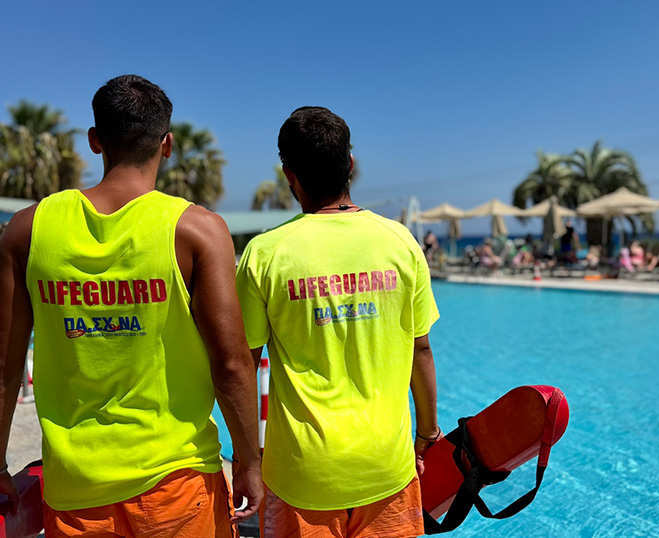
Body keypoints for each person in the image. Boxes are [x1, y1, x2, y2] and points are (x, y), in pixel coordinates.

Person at [0, 75, 263, 537]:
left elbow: (5, 366)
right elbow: (232, 364)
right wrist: (249, 462)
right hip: (177, 483)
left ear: (95, 140)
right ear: (167, 144)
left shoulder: (26, 230)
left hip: (76, 490)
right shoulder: (196, 230)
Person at [236, 107, 440, 538]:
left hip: (302, 474)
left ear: (289, 175)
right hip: (387, 465)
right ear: (349, 163)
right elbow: (420, 348)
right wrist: (427, 432)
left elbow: (241, 368)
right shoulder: (401, 242)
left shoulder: (265, 254)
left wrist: (246, 460)